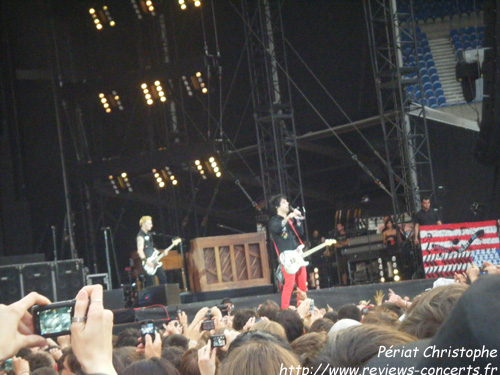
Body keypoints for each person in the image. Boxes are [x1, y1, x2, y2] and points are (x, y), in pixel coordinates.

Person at [268, 194, 306, 309]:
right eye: (284, 202)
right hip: (287, 258)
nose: (287, 204)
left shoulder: (290, 220)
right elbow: (277, 228)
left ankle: (303, 307)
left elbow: (300, 232)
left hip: (296, 255)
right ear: (277, 206)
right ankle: (284, 310)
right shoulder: (274, 221)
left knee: (302, 284)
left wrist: (298, 219)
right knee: (289, 285)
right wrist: (288, 217)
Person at [137, 216, 168, 287]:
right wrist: (146, 261)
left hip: (154, 260)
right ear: (144, 224)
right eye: (149, 223)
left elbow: (152, 248)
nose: (152, 225)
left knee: (163, 278)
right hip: (148, 262)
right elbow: (140, 251)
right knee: (151, 282)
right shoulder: (140, 236)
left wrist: (161, 253)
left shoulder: (149, 234)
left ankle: (163, 295)